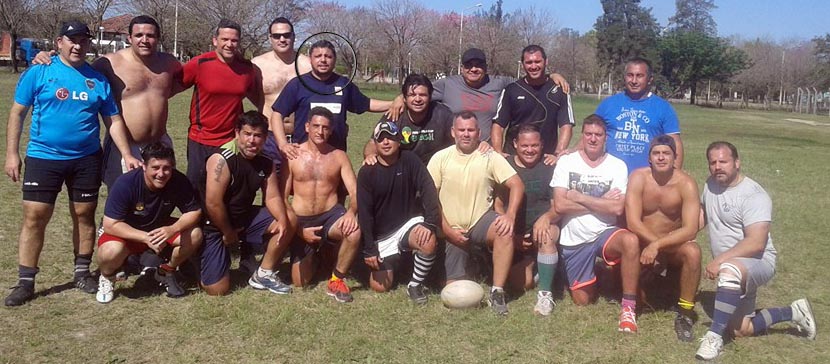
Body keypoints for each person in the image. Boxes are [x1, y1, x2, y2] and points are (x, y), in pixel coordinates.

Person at [4, 20, 140, 306]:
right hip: (44, 157)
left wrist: (127, 153)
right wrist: (12, 154)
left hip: (87, 159)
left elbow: (112, 120)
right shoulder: (40, 71)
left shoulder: (97, 79)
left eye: (83, 41)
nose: (78, 45)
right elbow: (18, 113)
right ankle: (26, 282)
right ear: (59, 43)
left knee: (84, 215)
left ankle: (82, 273)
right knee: (34, 217)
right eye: (72, 40)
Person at [695, 141, 816, 360]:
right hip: (734, 265)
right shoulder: (710, 184)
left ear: (737, 162)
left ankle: (714, 336)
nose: (718, 167)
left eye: (724, 161)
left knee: (729, 270)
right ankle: (794, 312)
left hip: (758, 260)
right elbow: (703, 215)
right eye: (713, 162)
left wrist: (719, 261)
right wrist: (679, 235)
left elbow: (756, 243)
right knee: (741, 330)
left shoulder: (754, 195)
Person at [31, 15, 183, 189]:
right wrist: (49, 56)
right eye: (139, 35)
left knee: (162, 196)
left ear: (158, 38)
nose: (144, 40)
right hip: (125, 144)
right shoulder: (109, 63)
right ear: (130, 38)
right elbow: (76, 72)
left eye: (150, 35)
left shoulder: (169, 63)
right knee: (123, 196)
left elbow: (194, 77)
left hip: (159, 143)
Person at [427, 111, 524, 315]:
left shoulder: (489, 156)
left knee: (504, 231)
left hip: (481, 222)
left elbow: (517, 185)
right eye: (461, 130)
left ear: (479, 132)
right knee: (453, 289)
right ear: (453, 132)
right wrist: (446, 229)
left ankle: (497, 291)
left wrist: (510, 216)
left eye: (471, 130)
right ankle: (473, 264)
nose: (466, 134)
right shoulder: (440, 158)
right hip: (450, 229)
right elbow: (431, 199)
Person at [550, 114, 641, 333]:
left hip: (604, 232)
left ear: (605, 137)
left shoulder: (617, 166)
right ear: (582, 136)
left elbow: (618, 208)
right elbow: (560, 205)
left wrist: (580, 197)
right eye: (588, 134)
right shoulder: (566, 162)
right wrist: (602, 202)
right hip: (574, 237)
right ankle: (603, 271)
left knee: (630, 240)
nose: (593, 139)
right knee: (583, 300)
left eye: (598, 135)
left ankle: (628, 308)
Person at [96, 143, 202, 303]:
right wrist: (145, 237)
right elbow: (111, 224)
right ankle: (107, 276)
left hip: (158, 229)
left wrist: (172, 229)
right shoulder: (126, 183)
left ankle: (166, 271)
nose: (161, 173)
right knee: (110, 251)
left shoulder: (178, 180)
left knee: (195, 235)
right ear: (144, 166)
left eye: (166, 168)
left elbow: (194, 211)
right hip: (129, 232)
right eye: (156, 167)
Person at [201, 111, 291, 296]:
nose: (252, 141)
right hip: (215, 225)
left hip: (244, 218)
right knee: (216, 289)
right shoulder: (222, 160)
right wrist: (227, 232)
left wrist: (283, 220)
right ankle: (197, 258)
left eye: (258, 136)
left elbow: (272, 197)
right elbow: (213, 204)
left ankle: (263, 273)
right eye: (247, 134)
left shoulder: (266, 162)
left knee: (290, 219)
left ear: (265, 138)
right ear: (237, 133)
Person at [281, 107, 362, 303]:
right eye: (316, 126)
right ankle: (320, 254)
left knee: (354, 232)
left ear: (331, 130)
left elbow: (355, 191)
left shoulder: (338, 156)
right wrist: (299, 231)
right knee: (300, 282)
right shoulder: (293, 155)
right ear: (307, 127)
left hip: (330, 215)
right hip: (302, 220)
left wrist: (351, 212)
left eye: (325, 127)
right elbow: (282, 199)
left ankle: (336, 279)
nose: (320, 131)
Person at [625, 135, 702, 341]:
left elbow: (690, 229)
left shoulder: (686, 183)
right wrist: (651, 246)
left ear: (675, 157)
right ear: (649, 158)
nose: (661, 158)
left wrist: (658, 246)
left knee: (693, 252)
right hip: (642, 242)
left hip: (671, 244)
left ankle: (685, 314)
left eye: (666, 153)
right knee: (643, 301)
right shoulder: (638, 177)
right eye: (656, 153)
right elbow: (633, 222)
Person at [357, 121, 441, 304]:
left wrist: (430, 222)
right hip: (382, 236)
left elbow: (428, 189)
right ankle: (396, 261)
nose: (386, 142)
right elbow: (364, 214)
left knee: (427, 241)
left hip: (407, 225)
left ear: (398, 140)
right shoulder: (366, 172)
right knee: (379, 287)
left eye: (391, 138)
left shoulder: (410, 160)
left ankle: (415, 284)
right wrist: (369, 248)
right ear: (376, 144)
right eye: (381, 139)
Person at [271, 40, 396, 160]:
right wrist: (283, 144)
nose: (323, 60)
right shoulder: (298, 84)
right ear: (310, 59)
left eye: (328, 56)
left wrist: (395, 103)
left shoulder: (343, 84)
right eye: (318, 56)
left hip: (335, 157)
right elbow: (277, 114)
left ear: (334, 59)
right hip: (303, 157)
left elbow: (367, 104)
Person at [179, 19, 262, 194]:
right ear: (215, 40)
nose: (229, 44)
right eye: (225, 39)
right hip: (200, 138)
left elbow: (260, 100)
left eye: (234, 40)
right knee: (196, 187)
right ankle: (196, 221)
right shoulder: (199, 64)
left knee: (226, 188)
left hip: (230, 140)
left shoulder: (247, 69)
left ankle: (222, 222)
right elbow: (171, 88)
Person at [429, 48, 569, 143]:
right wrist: (405, 99)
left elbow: (529, 79)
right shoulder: (447, 84)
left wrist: (551, 75)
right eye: (468, 65)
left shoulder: (499, 82)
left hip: (486, 150)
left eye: (478, 65)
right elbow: (420, 93)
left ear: (486, 67)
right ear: (462, 68)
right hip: (455, 149)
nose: (473, 69)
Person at [494, 124, 560, 316]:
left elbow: (558, 206)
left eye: (535, 145)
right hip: (516, 235)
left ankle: (546, 296)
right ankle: (542, 266)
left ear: (542, 145)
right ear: (515, 144)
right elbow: (497, 205)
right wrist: (511, 234)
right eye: (525, 145)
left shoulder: (550, 167)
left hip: (544, 229)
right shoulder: (506, 166)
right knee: (522, 283)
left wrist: (546, 218)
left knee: (546, 235)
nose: (530, 150)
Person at [594, 57, 683, 172]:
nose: (634, 81)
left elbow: (675, 143)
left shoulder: (663, 108)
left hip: (648, 178)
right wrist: (573, 151)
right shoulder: (608, 104)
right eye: (630, 75)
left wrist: (675, 175)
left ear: (650, 79)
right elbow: (591, 133)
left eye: (639, 76)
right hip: (612, 177)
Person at [492, 45, 574, 164]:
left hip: (546, 160)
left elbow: (566, 125)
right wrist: (498, 153)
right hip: (514, 159)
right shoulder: (511, 90)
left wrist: (557, 154)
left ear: (546, 62)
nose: (534, 66)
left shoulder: (560, 90)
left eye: (537, 61)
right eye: (529, 62)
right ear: (523, 65)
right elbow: (498, 125)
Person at [251, 16, 312, 167]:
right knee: (271, 187)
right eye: (277, 36)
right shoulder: (257, 65)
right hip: (269, 136)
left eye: (287, 35)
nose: (282, 39)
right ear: (270, 38)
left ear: (294, 36)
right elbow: (247, 93)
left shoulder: (309, 65)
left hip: (302, 136)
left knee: (303, 188)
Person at [363, 74, 455, 165]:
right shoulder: (395, 114)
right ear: (404, 98)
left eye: (422, 95)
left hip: (435, 168)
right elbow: (373, 143)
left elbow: (458, 141)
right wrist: (370, 155)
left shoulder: (443, 114)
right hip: (404, 169)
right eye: (412, 95)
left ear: (430, 97)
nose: (417, 99)